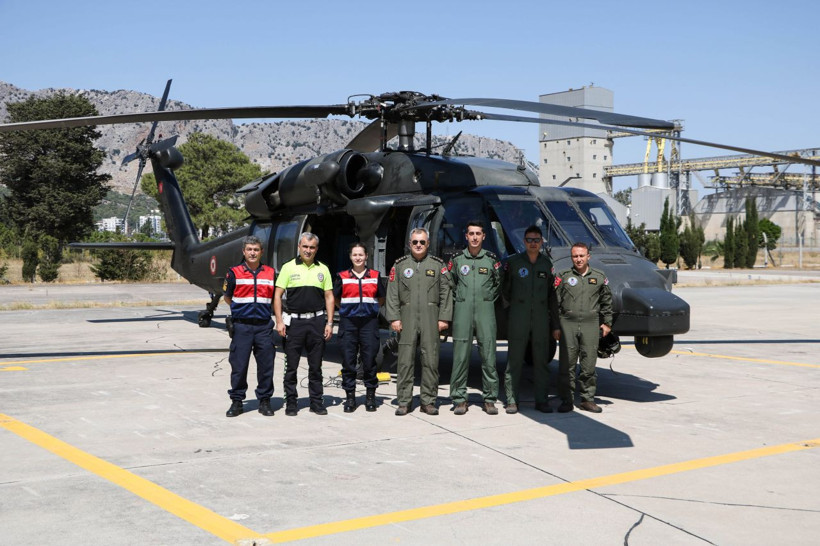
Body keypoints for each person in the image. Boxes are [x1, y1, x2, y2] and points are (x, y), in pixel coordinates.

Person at [385, 228, 453, 416]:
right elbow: (392, 293)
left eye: (422, 242)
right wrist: (394, 318)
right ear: (409, 243)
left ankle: (428, 401)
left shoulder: (438, 265)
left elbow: (446, 292)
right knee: (405, 361)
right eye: (415, 242)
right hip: (406, 316)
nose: (418, 245)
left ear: (428, 244)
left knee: (430, 360)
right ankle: (404, 401)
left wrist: (443, 318)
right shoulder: (400, 265)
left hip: (431, 316)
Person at [274, 232, 334, 416]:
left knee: (316, 366)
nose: (308, 250)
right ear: (299, 247)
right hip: (295, 323)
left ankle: (316, 402)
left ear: (316, 249)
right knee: (291, 366)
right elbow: (277, 295)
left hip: (316, 322)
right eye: (305, 246)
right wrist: (279, 321)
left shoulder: (323, 269)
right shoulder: (288, 267)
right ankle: (291, 402)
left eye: (312, 247)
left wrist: (329, 323)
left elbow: (329, 296)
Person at [502, 225, 560, 414]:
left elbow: (552, 295)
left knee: (541, 361)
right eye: (529, 240)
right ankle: (512, 400)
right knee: (515, 359)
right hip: (519, 316)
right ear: (524, 242)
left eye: (536, 240)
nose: (533, 243)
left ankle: (542, 400)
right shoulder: (514, 263)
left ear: (541, 242)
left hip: (541, 319)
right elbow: (505, 291)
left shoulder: (547, 264)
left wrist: (555, 324)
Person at [448, 221, 502, 415]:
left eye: (478, 233)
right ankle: (460, 399)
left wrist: (485, 299)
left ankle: (489, 399)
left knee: (488, 354)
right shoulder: (457, 260)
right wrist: (462, 299)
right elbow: (451, 283)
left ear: (484, 236)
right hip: (462, 309)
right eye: (471, 233)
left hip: (485, 310)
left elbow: (498, 284)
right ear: (466, 236)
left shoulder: (491, 260)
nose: (474, 237)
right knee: (460, 356)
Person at [555, 242, 613, 413]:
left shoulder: (599, 277)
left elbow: (607, 301)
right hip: (568, 324)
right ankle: (567, 399)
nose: (578, 259)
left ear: (588, 257)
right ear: (571, 257)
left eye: (581, 256)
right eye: (575, 256)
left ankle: (587, 399)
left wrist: (607, 322)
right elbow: (555, 303)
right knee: (567, 365)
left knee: (588, 365)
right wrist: (556, 326)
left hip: (590, 323)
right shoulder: (563, 276)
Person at [222, 235, 276, 418]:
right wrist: (241, 311)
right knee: (239, 366)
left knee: (266, 366)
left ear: (261, 252)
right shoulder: (234, 272)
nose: (253, 253)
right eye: (249, 250)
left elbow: (275, 298)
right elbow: (227, 297)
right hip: (242, 327)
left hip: (263, 327)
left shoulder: (270, 273)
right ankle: (237, 402)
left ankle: (265, 401)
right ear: (243, 252)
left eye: (256, 250)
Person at [333, 243, 386, 412]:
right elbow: (335, 298)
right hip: (349, 323)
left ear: (366, 256)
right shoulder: (342, 276)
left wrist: (372, 309)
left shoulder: (375, 276)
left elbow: (381, 298)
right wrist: (346, 310)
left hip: (369, 323)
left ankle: (370, 396)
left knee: (369, 361)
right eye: (355, 255)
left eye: (361, 255)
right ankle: (350, 398)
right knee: (348, 362)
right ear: (350, 257)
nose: (358, 258)